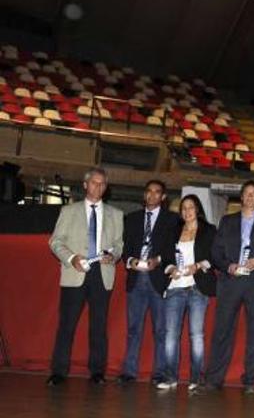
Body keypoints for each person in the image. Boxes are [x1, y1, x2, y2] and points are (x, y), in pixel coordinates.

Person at [46, 167, 124, 386]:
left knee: (99, 326)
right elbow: (55, 241)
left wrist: (113, 255)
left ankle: (97, 372)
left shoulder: (116, 214)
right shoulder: (69, 211)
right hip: (75, 273)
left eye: (102, 184)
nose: (98, 187)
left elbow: (119, 244)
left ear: (106, 188)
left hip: (102, 273)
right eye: (94, 183)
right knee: (66, 325)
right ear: (85, 184)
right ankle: (59, 372)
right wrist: (71, 259)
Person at [204, 180, 254, 394]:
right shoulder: (227, 221)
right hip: (230, 282)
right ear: (241, 197)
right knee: (222, 331)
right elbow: (215, 252)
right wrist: (227, 266)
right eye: (246, 193)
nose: (249, 197)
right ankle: (214, 378)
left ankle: (250, 380)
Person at [118, 180, 176, 386]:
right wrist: (130, 260)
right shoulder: (132, 219)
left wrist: (158, 260)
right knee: (134, 329)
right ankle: (129, 371)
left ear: (163, 197)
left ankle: (159, 373)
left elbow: (173, 249)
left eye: (157, 192)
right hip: (136, 278)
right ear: (144, 195)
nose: (152, 195)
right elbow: (123, 247)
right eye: (149, 192)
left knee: (161, 330)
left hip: (158, 279)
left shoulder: (172, 220)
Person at [157, 194, 217, 392]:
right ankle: (170, 377)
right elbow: (165, 258)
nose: (187, 211)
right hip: (175, 287)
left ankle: (196, 378)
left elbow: (214, 258)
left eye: (191, 207)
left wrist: (198, 266)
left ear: (197, 209)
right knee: (170, 335)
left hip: (198, 288)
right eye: (184, 208)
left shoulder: (209, 230)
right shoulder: (173, 231)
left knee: (196, 335)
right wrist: (170, 269)